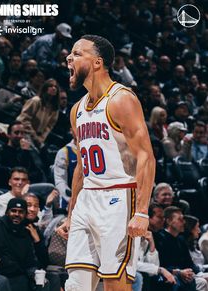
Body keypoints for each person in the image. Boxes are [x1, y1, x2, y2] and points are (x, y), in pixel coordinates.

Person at [57, 35, 155, 291]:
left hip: (119, 198)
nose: (69, 58)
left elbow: (146, 156)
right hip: (87, 199)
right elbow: (81, 165)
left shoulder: (121, 99)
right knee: (76, 285)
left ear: (98, 62)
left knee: (115, 285)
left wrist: (142, 213)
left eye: (77, 54)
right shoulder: (76, 109)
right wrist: (70, 214)